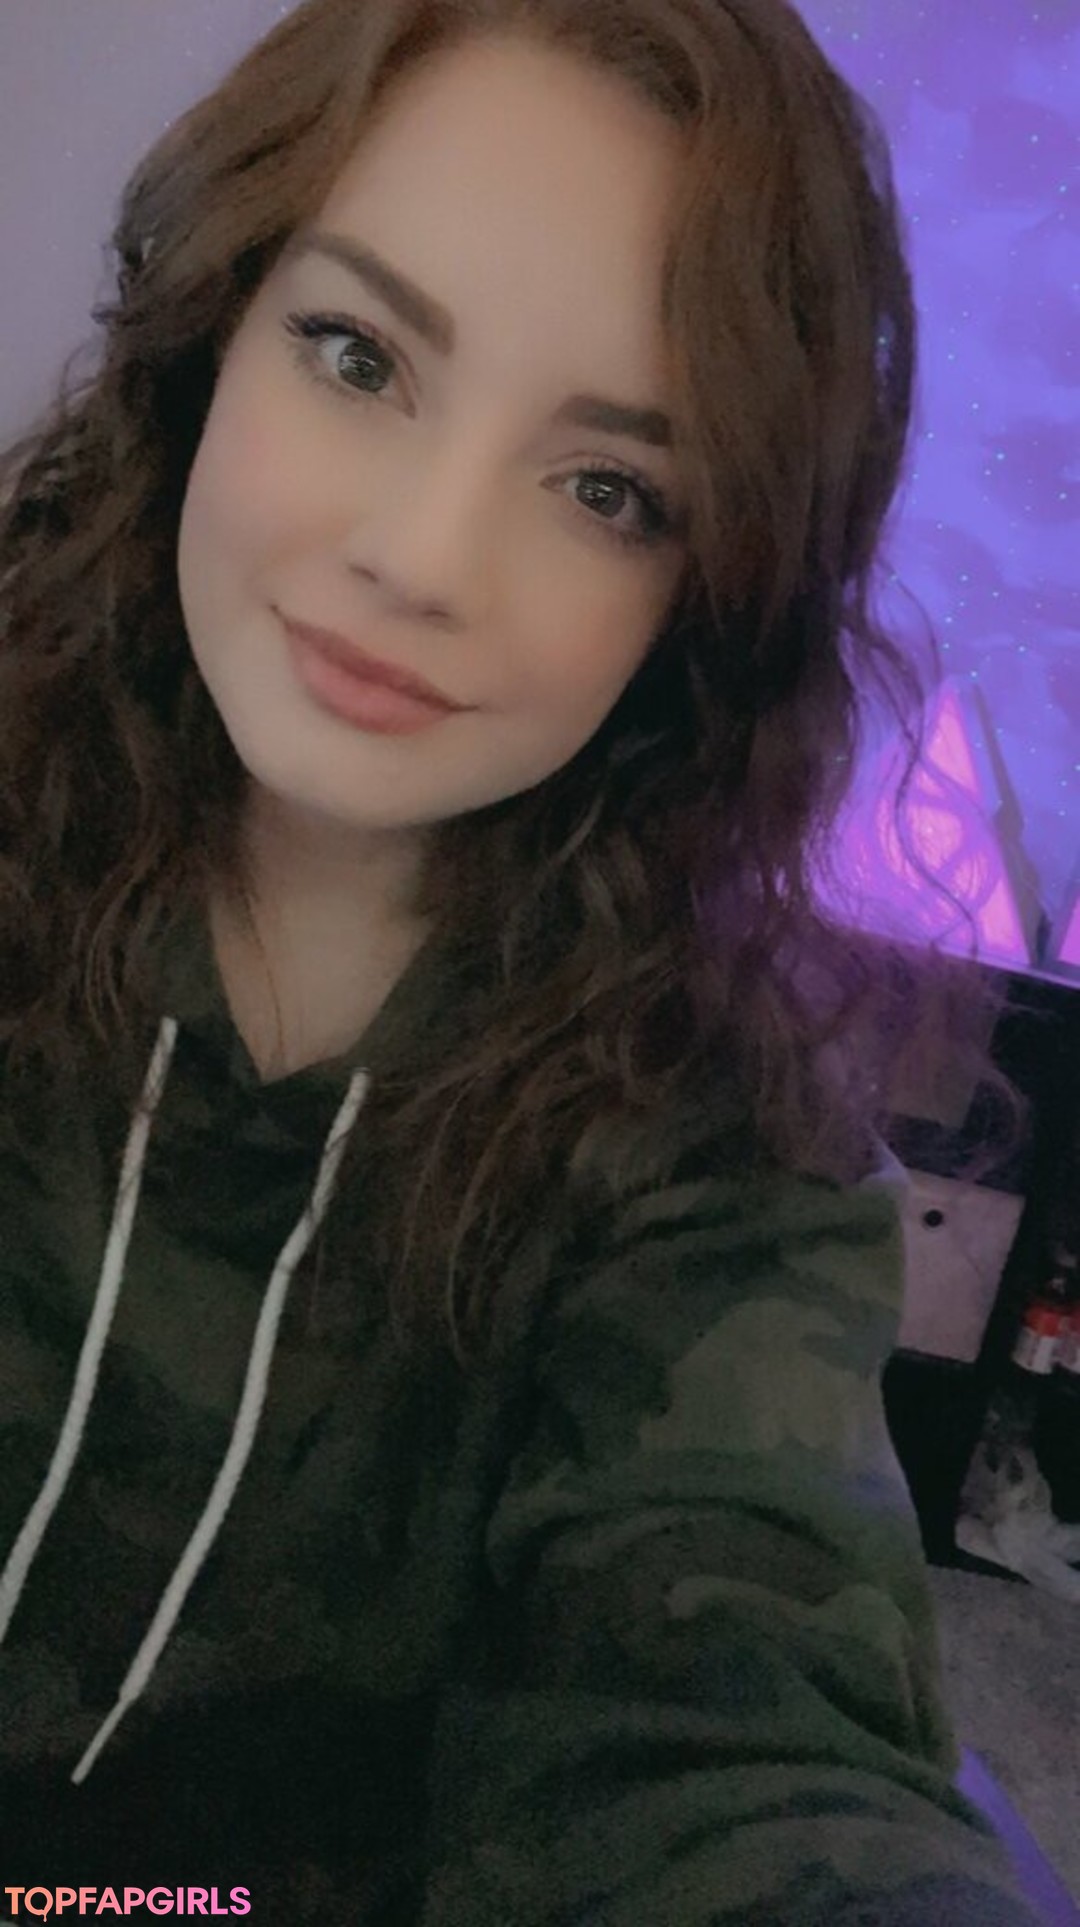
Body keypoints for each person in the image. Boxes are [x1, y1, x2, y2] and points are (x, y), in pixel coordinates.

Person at [0, 0, 1039, 1920]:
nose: (422, 556)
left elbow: (732, 1728)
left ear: (706, 592)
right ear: (212, 325)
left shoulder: (719, 1162)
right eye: (357, 355)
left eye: (607, 489)